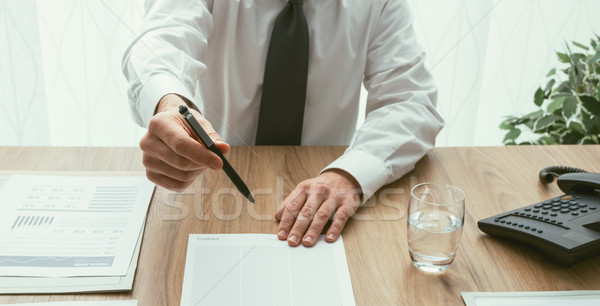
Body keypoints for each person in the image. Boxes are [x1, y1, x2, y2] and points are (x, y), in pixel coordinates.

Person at [122, 0, 443, 248]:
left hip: (325, 181)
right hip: (213, 185)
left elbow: (409, 99)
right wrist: (168, 101)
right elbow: (159, 46)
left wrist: (349, 174)